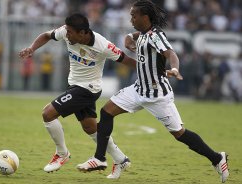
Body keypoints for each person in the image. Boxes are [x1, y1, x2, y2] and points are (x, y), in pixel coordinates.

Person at [77, 0, 229, 183]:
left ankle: (217, 158)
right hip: (138, 89)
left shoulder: (155, 36)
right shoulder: (142, 33)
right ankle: (101, 158)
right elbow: (135, 35)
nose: (131, 18)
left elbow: (171, 53)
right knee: (106, 111)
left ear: (145, 17)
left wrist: (175, 69)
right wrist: (128, 37)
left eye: (134, 15)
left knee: (179, 134)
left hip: (157, 95)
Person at [19, 13, 136, 179]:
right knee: (90, 128)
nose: (66, 34)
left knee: (48, 114)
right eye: (66, 30)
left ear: (82, 33)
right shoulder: (66, 33)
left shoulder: (103, 45)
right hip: (74, 86)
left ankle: (62, 154)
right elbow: (46, 35)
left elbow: (127, 61)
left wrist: (153, 72)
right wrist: (31, 48)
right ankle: (121, 159)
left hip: (88, 89)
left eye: (70, 32)